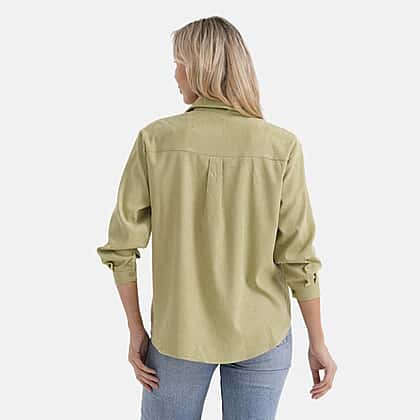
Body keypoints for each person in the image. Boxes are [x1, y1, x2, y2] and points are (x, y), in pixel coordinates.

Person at [97, 15, 337, 420]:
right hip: (262, 333)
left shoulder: (155, 140)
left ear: (201, 66)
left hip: (178, 336)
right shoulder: (281, 146)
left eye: (179, 62)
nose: (175, 74)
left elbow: (121, 248)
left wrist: (136, 330)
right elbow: (299, 257)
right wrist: (318, 341)